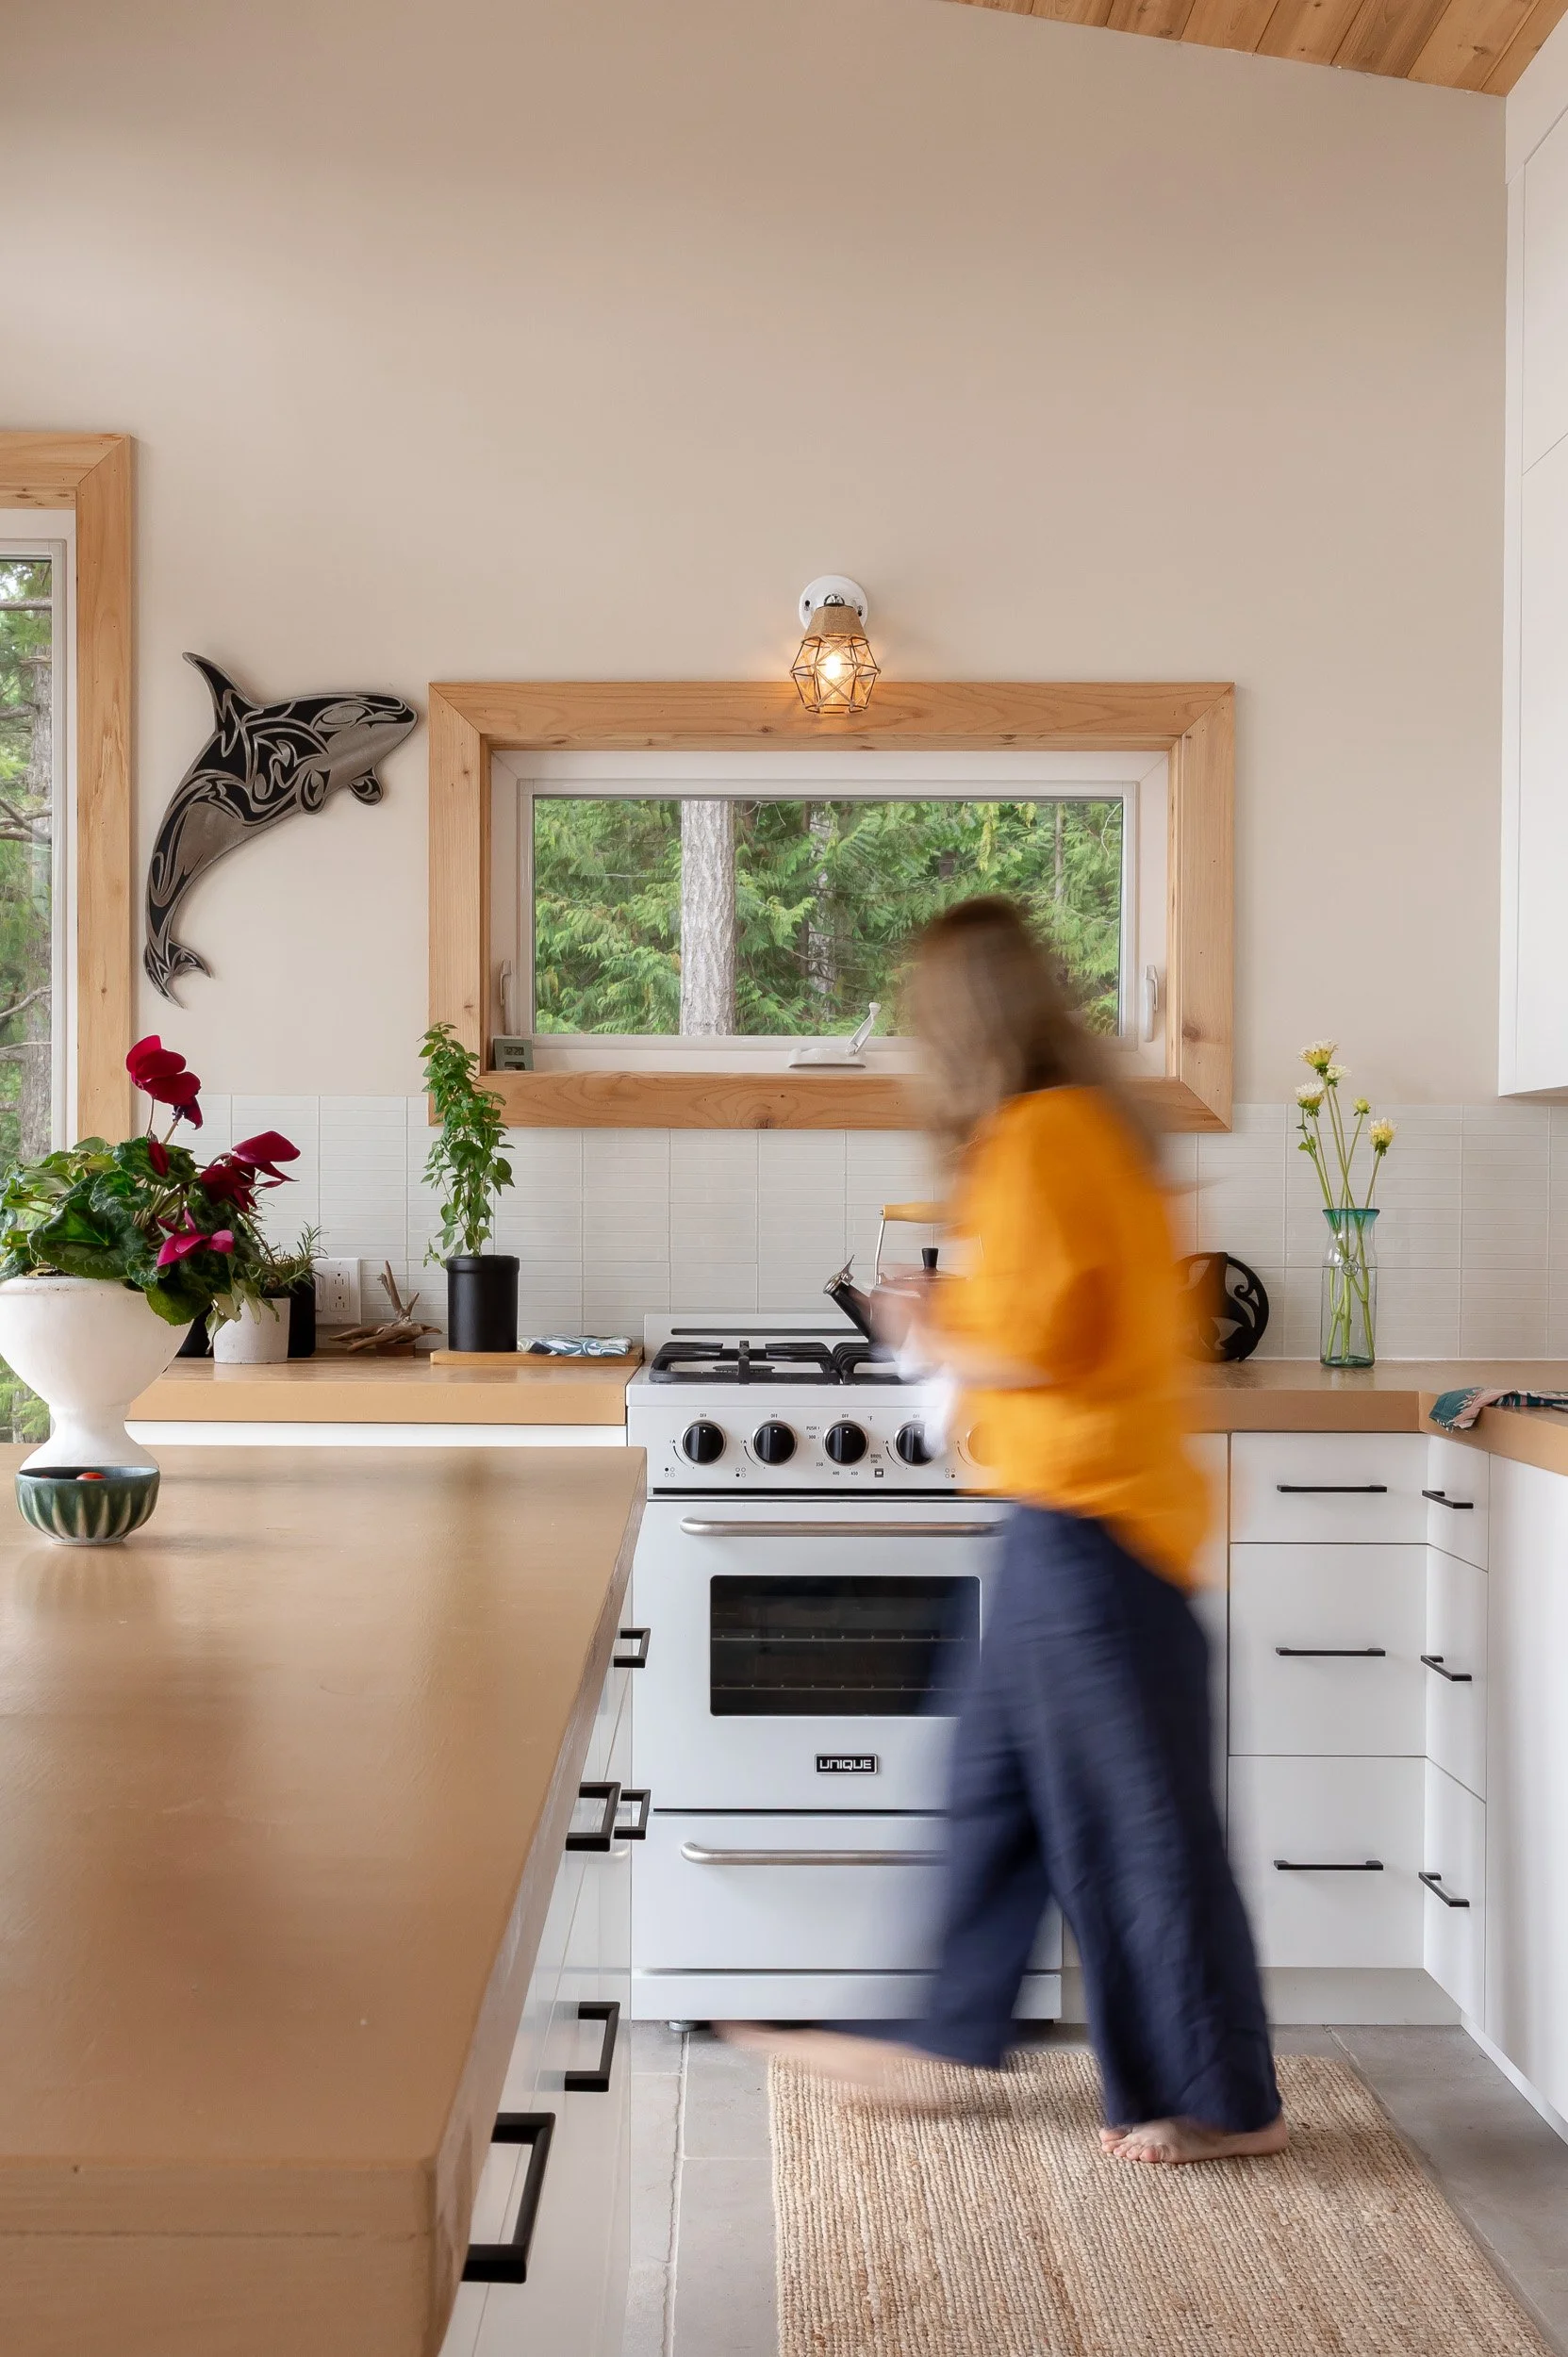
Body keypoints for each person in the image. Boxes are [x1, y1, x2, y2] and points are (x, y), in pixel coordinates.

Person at [726, 897, 1284, 2167]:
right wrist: (956, 1304)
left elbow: (1034, 1344)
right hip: (1082, 1518)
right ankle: (912, 2039)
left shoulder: (1036, 1138)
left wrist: (925, 1326)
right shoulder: (1089, 1133)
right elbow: (1071, 1316)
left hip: (1089, 1528)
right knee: (996, 1801)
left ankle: (1221, 2102)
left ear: (956, 1022)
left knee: (1137, 1831)